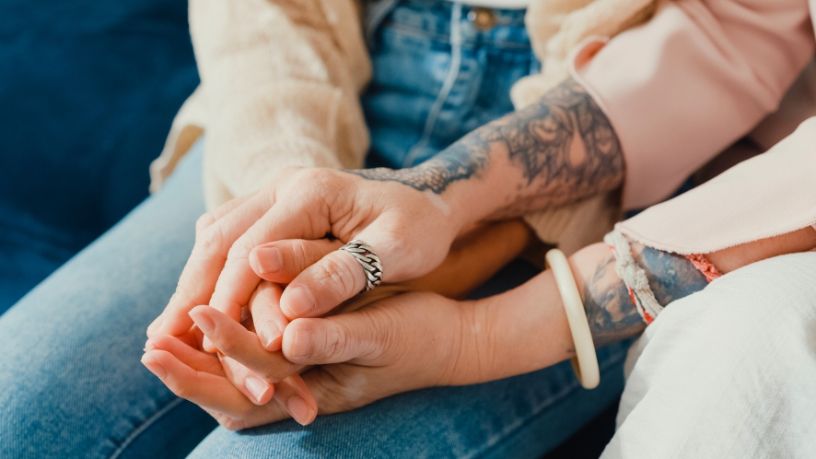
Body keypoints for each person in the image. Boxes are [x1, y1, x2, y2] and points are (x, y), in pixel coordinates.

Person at [2, 2, 816, 459]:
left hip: (615, 181)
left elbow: (734, 30)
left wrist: (463, 294)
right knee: (17, 411)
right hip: (317, 100)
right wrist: (281, 201)